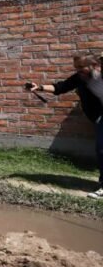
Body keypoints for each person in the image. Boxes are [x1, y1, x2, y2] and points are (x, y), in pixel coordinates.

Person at [26, 53, 103, 199]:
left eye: (81, 67)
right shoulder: (80, 77)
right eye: (76, 67)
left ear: (94, 65)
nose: (78, 70)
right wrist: (39, 87)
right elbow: (61, 87)